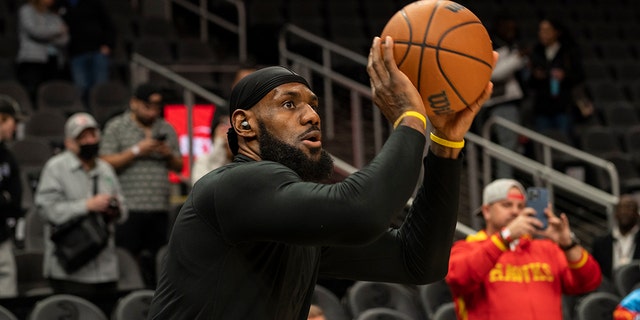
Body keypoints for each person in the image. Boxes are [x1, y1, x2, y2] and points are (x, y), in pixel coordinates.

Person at [147, 36, 495, 319]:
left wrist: (445, 144)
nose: (312, 115)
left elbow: (419, 262)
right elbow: (362, 210)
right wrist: (410, 117)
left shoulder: (289, 223)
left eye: (313, 104)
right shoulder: (234, 184)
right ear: (244, 125)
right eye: (289, 104)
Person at [446, 178, 602, 320]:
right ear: (486, 211)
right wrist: (505, 238)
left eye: (521, 206)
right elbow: (457, 277)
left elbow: (589, 282)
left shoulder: (547, 249)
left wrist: (567, 243)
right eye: (506, 205)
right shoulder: (467, 248)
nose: (515, 211)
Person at [99, 83, 183, 288]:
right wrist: (137, 151)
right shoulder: (116, 126)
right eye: (148, 106)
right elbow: (104, 162)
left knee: (157, 264)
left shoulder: (166, 127)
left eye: (157, 106)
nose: (153, 111)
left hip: (159, 208)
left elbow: (179, 166)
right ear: (134, 103)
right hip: (128, 208)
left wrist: (167, 155)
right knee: (127, 262)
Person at [34, 112, 127, 294]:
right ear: (69, 142)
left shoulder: (106, 169)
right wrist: (87, 205)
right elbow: (46, 209)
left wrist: (115, 210)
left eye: (93, 135)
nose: (90, 141)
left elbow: (124, 209)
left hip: (105, 266)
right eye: (83, 137)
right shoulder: (56, 168)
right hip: (70, 268)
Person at [476, 11, 528, 179]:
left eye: (513, 28)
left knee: (514, 148)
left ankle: (512, 185)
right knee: (506, 148)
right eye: (507, 27)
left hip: (517, 105)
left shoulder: (514, 46)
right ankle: (504, 187)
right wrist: (517, 59)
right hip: (499, 104)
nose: (510, 31)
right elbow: (494, 75)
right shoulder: (492, 47)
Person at [528, 17, 584, 140]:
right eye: (540, 30)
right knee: (543, 143)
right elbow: (529, 82)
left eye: (546, 30)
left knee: (563, 142)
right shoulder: (536, 51)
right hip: (542, 107)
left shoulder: (568, 52)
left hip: (563, 106)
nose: (542, 34)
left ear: (556, 32)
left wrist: (564, 75)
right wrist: (536, 75)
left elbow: (579, 75)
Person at [57, 0, 116, 109]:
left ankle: (102, 113)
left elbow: (108, 24)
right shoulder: (62, 5)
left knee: (100, 88)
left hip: (97, 51)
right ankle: (86, 112)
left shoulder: (94, 3)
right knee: (81, 87)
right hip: (76, 53)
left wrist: (108, 44)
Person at [16, 0, 69, 104]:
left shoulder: (52, 13)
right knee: (33, 92)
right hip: (32, 59)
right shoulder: (27, 10)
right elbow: (35, 31)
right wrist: (57, 31)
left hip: (53, 59)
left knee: (52, 92)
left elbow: (65, 39)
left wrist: (47, 35)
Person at [0, 95, 26, 298]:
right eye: (12, 122)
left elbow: (15, 199)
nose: (15, 128)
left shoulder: (7, 156)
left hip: (2, 238)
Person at [592, 194, 640, 281]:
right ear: (616, 213)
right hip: (608, 290)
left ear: (637, 214)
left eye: (629, 207)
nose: (625, 212)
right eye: (622, 208)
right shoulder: (600, 243)